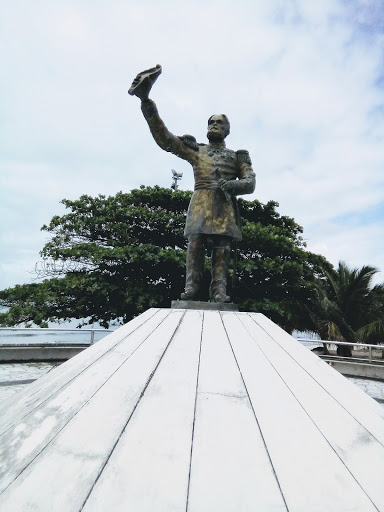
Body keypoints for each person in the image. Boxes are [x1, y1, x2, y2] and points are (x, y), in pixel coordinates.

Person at [129, 65, 255, 302]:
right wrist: (146, 103)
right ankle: (192, 289)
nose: (213, 125)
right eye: (210, 122)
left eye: (219, 123)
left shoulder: (237, 156)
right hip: (200, 203)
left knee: (221, 251)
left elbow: (250, 182)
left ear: (227, 130)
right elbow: (165, 139)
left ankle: (219, 291)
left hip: (224, 207)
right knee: (194, 245)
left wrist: (233, 186)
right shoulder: (196, 150)